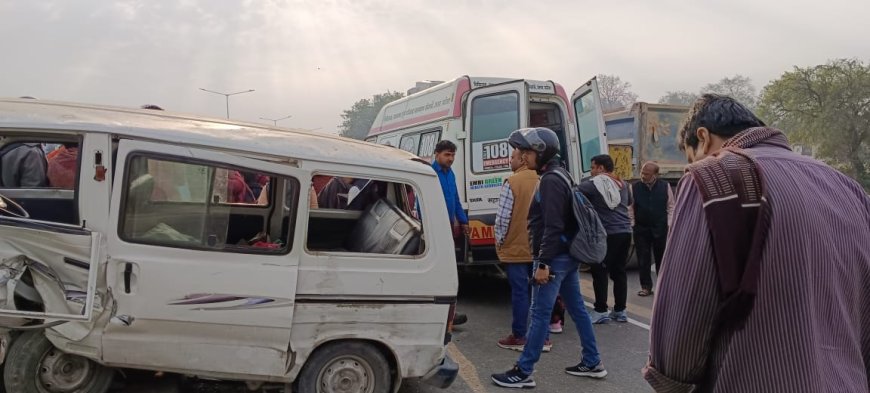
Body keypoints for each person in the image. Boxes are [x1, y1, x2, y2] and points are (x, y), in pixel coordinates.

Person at [643, 94, 870, 392]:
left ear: (703, 136)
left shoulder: (712, 176)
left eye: (691, 155)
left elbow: (683, 314)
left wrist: (669, 379)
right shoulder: (848, 188)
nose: (693, 164)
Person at [491, 128, 606, 388]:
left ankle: (523, 371)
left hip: (554, 258)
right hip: (565, 256)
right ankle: (592, 361)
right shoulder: (559, 174)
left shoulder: (552, 180)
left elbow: (552, 225)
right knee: (577, 309)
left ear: (540, 152)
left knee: (539, 312)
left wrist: (543, 263)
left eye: (525, 151)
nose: (521, 155)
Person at [495, 147, 552, 352]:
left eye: (513, 158)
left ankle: (519, 335)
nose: (510, 161)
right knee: (539, 296)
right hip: (539, 249)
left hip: (516, 249)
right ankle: (543, 338)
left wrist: (500, 242)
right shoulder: (542, 181)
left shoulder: (512, 182)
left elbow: (503, 218)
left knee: (520, 294)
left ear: (523, 160)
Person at [579, 155, 632, 324]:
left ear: (601, 168)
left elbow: (573, 193)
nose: (591, 171)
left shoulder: (594, 183)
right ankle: (620, 310)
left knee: (600, 270)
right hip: (625, 231)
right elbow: (629, 202)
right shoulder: (623, 184)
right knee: (619, 271)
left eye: (593, 167)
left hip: (606, 233)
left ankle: (601, 310)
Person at [432, 140, 468, 326]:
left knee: (449, 271)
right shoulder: (430, 174)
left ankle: (448, 313)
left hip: (448, 229)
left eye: (453, 155)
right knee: (438, 272)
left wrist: (463, 221)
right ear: (436, 154)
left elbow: (455, 198)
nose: (451, 158)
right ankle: (440, 314)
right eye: (447, 154)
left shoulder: (450, 174)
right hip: (434, 231)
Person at [631, 161, 673, 297]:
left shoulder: (665, 186)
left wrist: (670, 224)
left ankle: (663, 286)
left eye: (647, 174)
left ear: (655, 175)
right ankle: (646, 287)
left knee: (662, 259)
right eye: (642, 173)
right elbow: (630, 208)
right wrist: (632, 224)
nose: (643, 176)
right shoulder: (635, 187)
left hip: (660, 228)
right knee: (643, 259)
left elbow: (671, 206)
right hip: (641, 229)